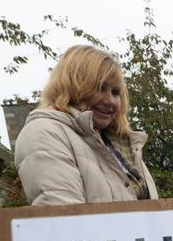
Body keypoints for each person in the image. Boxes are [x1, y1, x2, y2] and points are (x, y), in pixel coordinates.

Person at [15, 45, 158, 206]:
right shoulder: (45, 133)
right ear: (72, 85)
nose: (110, 101)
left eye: (115, 92)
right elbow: (64, 214)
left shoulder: (124, 144)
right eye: (100, 88)